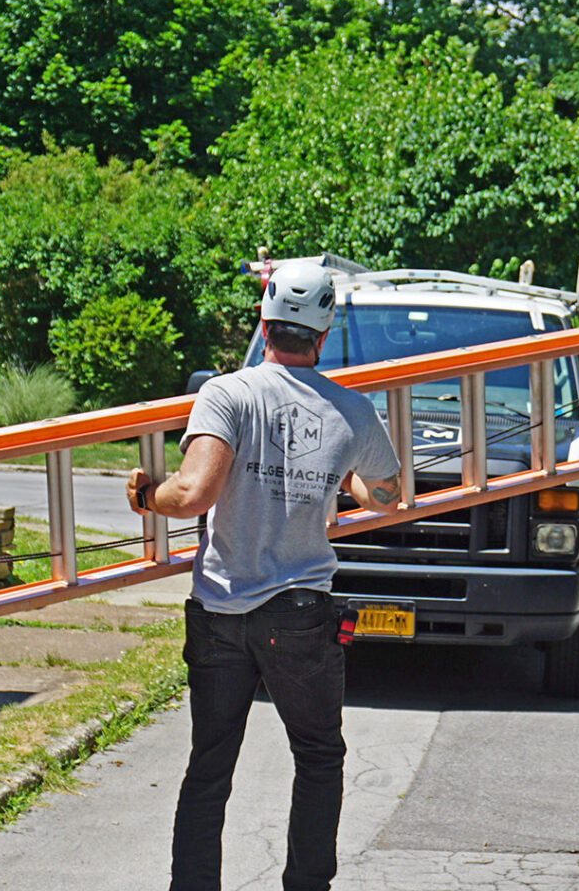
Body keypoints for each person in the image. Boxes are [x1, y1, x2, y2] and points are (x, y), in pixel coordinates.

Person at [126, 260, 402, 891]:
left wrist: (146, 496)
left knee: (210, 765)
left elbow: (192, 493)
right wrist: (341, 476)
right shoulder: (350, 408)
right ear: (324, 334)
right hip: (300, 614)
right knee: (319, 755)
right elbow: (388, 495)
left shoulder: (228, 393)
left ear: (264, 320)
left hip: (221, 609)